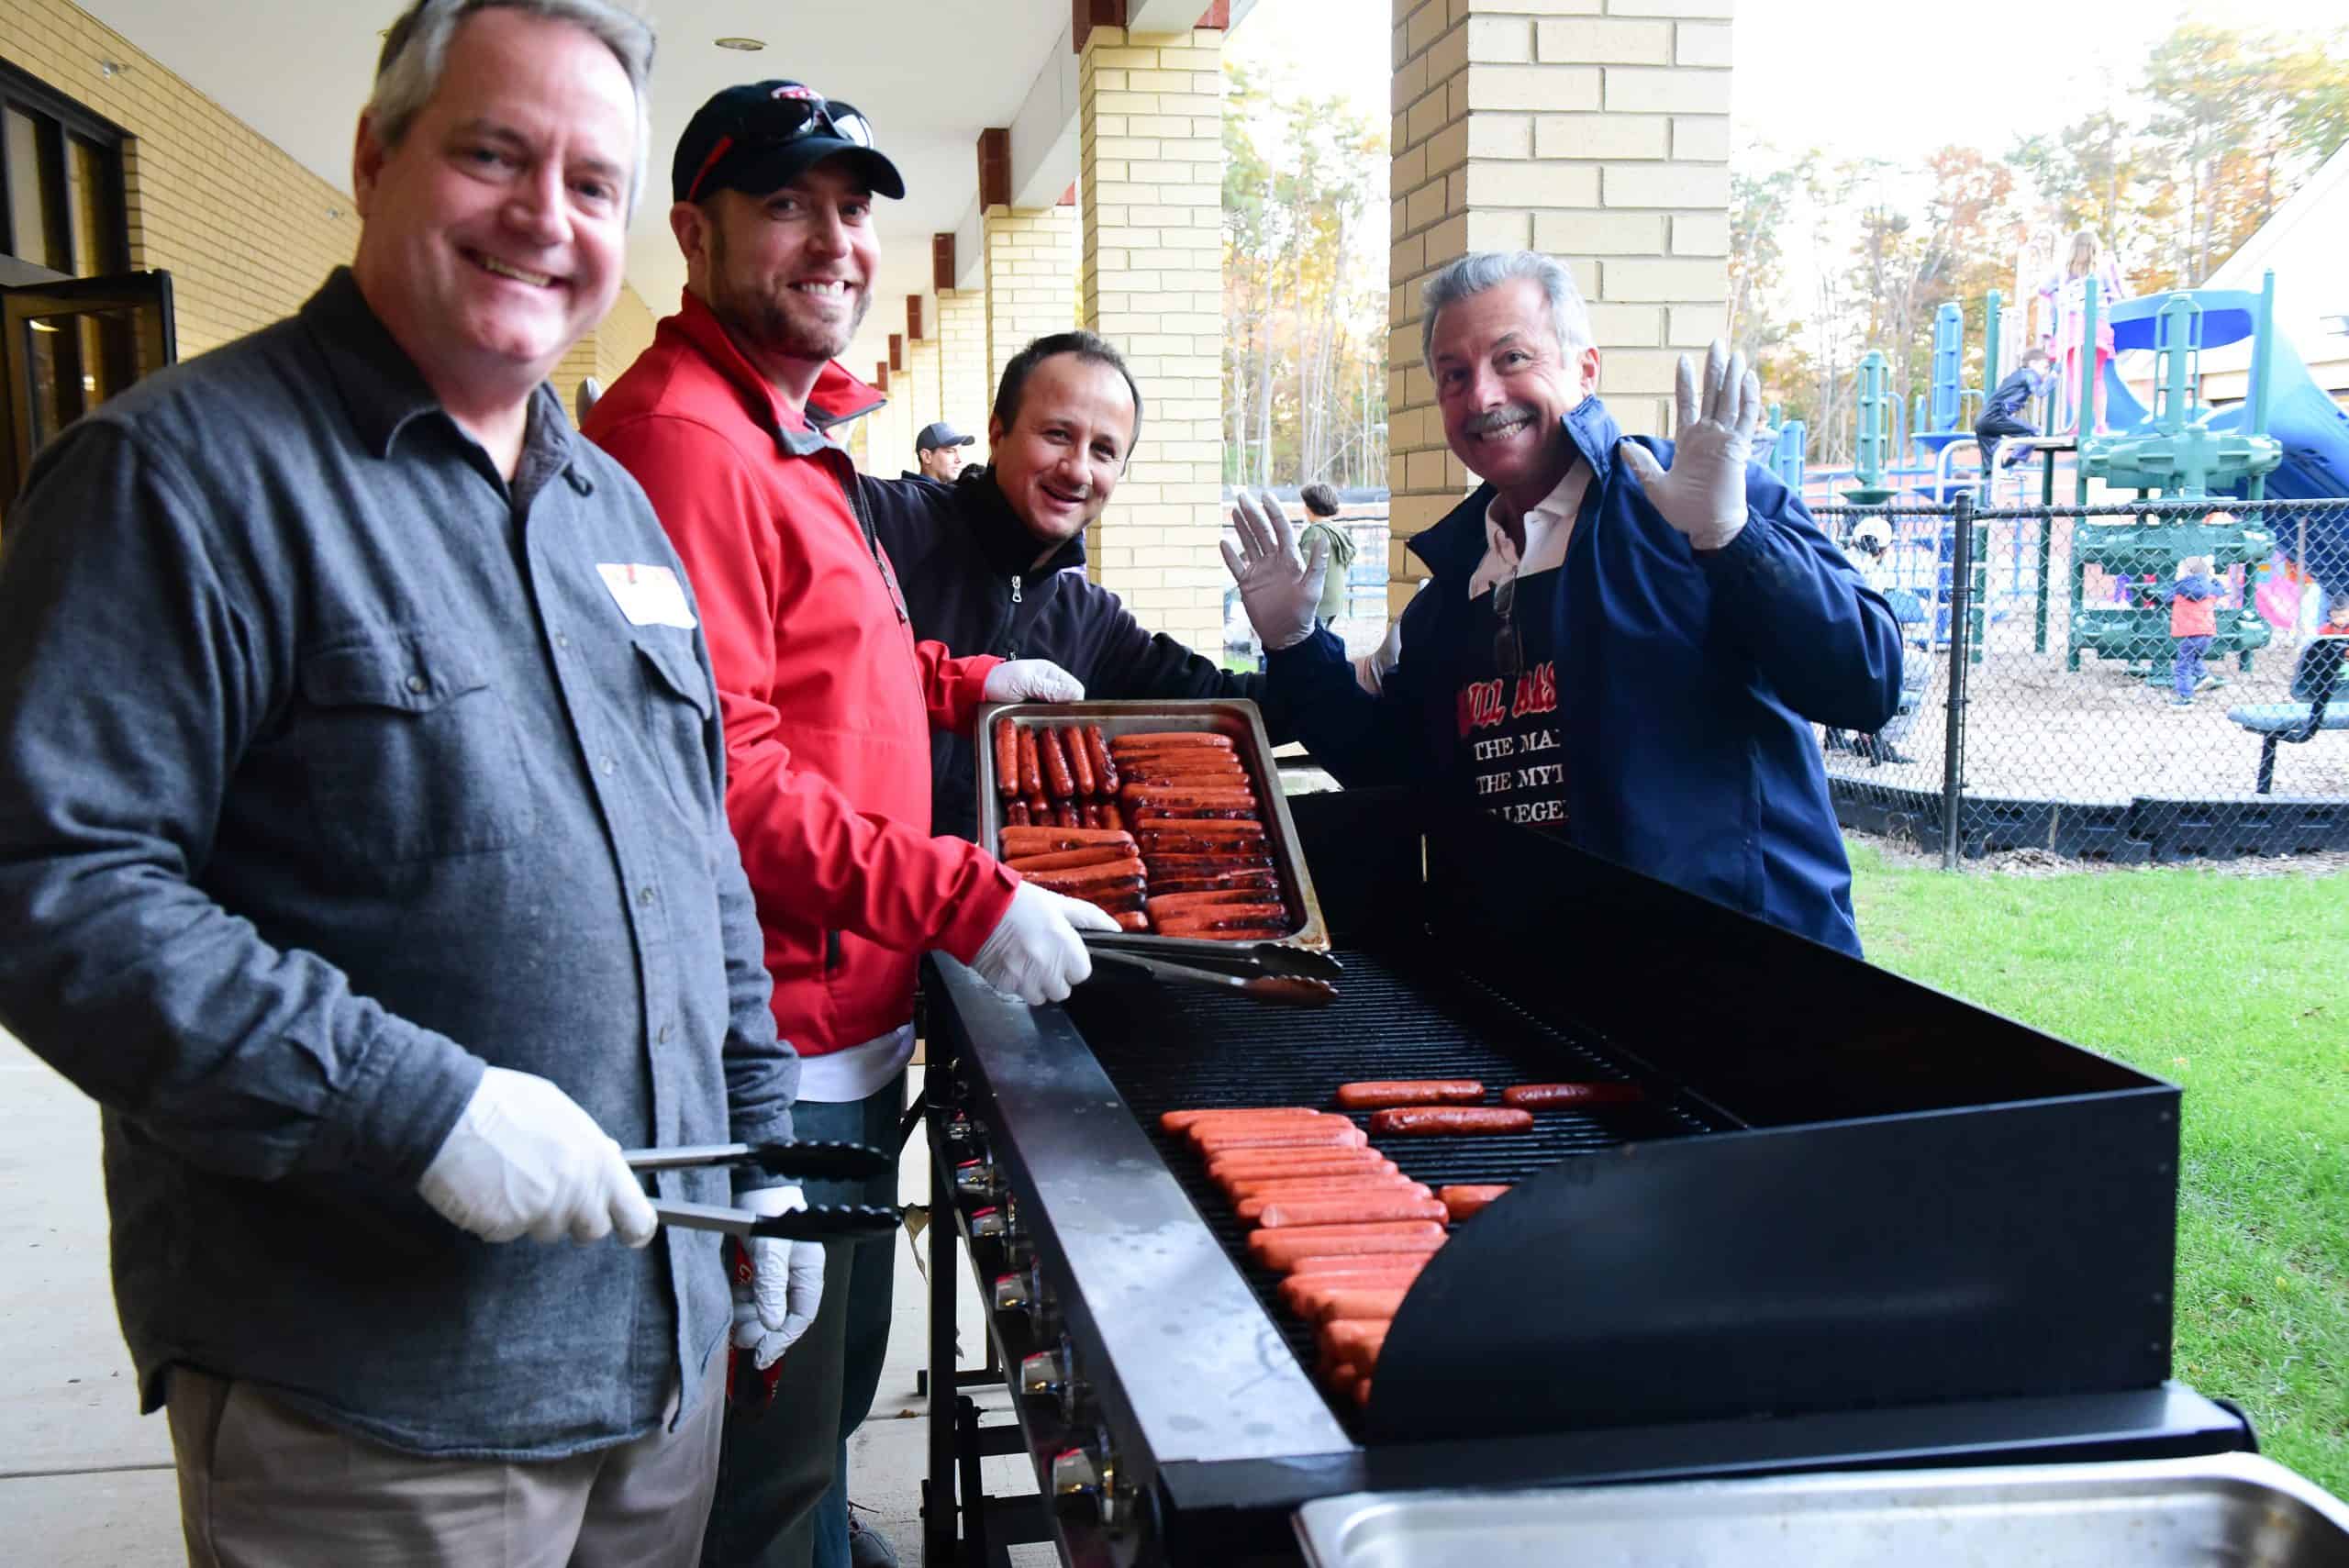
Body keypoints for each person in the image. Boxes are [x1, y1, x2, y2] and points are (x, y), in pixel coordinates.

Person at [0, 4, 803, 1562]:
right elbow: (58, 887)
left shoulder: (612, 508)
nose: (544, 218)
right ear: (376, 160)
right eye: (494, 154)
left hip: (653, 1374)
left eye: (590, 183)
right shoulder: (181, 474)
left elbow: (693, 851)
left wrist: (761, 1139)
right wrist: (418, 1105)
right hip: (375, 1406)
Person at [582, 81, 1113, 1568]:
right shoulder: (684, 443)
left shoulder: (781, 429)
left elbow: (822, 658)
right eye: (785, 205)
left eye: (853, 207)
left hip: (845, 1023)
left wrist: (965, 679)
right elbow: (716, 780)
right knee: (763, 1455)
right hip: (772, 1046)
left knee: (823, 1409)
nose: (835, 240)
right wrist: (965, 894)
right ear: (693, 232)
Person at [1223, 250, 1900, 957]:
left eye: (1512, 358)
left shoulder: (1694, 502)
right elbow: (1395, 767)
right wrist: (1296, 645)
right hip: (1541, 985)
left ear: (1586, 370)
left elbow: (1868, 680)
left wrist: (1734, 540)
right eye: (1455, 375)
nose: (1482, 396)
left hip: (1747, 979)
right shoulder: (1453, 592)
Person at [867, 329, 1288, 840]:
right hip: (847, 877)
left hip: (1005, 888)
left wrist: (1301, 646)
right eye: (1057, 435)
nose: (1077, 470)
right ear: (998, 434)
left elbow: (1228, 707)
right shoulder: (880, 522)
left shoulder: (1091, 620)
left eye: (1104, 450)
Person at [2052, 228, 2125, 435]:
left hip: (2072, 326)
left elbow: (2044, 288)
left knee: (2075, 377)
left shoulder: (2063, 271)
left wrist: (2060, 301)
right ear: (2095, 248)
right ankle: (2100, 424)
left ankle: (2077, 423)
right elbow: (2116, 294)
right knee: (2096, 377)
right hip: (2096, 325)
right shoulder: (2102, 269)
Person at [1975, 345, 2054, 475]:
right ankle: (2010, 464)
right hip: (1996, 415)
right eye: (2045, 367)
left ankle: (1993, 478)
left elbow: (2007, 395)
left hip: (1981, 420)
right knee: (2033, 434)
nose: (2046, 372)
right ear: (2033, 364)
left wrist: (2019, 404)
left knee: (1993, 468)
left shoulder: (2015, 376)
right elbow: (2041, 391)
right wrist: (2054, 375)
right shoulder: (2029, 374)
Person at [1295, 482, 1358, 626]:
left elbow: (1302, 571)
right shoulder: (1339, 532)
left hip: (1317, 604)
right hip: (1334, 602)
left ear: (1309, 507)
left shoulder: (1313, 533)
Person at [2167, 556, 2225, 707]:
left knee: (2182, 666)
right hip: (2207, 633)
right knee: (2193, 657)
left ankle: (2186, 698)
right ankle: (2203, 676)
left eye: (2178, 571)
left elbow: (2165, 598)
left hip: (2191, 633)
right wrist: (2212, 578)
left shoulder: (2179, 588)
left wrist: (2175, 582)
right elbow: (2221, 590)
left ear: (2185, 573)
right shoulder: (2210, 589)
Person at [911, 420, 975, 483]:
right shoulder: (908, 489)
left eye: (959, 451)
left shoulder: (955, 488)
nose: (959, 460)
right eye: (950, 451)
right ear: (926, 456)